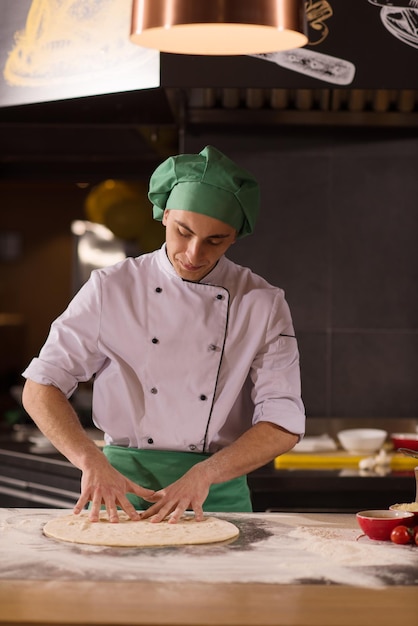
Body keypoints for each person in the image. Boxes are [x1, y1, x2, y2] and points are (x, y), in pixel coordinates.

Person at [21, 145, 305, 524]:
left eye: (215, 240)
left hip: (216, 489)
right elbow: (41, 386)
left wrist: (204, 475)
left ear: (235, 236)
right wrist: (90, 460)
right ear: (164, 214)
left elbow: (283, 421)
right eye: (183, 231)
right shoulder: (112, 287)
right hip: (118, 487)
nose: (193, 253)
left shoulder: (262, 303)